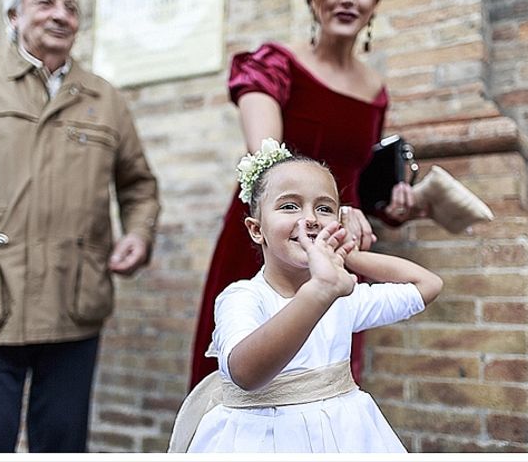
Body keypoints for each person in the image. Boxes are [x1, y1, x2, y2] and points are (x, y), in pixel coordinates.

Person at [190, 0, 425, 390]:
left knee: (322, 373)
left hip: (334, 241)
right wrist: (338, 210)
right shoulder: (273, 64)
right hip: (271, 235)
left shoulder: (376, 91)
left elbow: (356, 179)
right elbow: (266, 160)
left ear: (376, 2)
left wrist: (391, 204)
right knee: (250, 365)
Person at [169, 140, 442, 452]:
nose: (310, 218)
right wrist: (318, 292)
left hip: (345, 438)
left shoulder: (342, 297)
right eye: (289, 206)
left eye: (324, 208)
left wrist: (350, 255)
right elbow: (245, 373)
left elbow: (427, 284)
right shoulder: (242, 297)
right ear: (256, 230)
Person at [0, 0, 160, 452]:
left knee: (61, 442)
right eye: (45, 3)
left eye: (71, 7)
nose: (60, 14)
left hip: (74, 302)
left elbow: (138, 185)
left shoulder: (106, 98)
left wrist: (138, 233)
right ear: (14, 16)